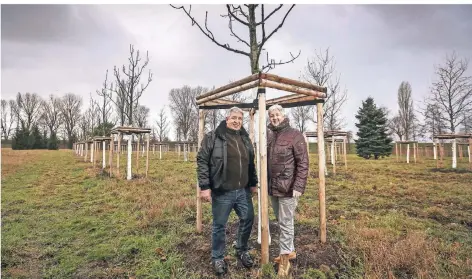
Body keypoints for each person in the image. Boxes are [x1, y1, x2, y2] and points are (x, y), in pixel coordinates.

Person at [196, 106, 258, 276]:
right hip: (222, 191)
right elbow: (202, 160)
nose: (237, 121)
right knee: (219, 225)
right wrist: (205, 187)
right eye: (234, 118)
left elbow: (251, 163)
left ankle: (241, 249)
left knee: (248, 218)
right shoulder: (214, 137)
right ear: (227, 119)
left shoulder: (245, 138)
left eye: (240, 118)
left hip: (243, 191)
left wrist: (253, 182)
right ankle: (218, 257)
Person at [266, 104, 309, 277]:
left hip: (289, 188)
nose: (274, 118)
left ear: (283, 115)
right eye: (271, 116)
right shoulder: (270, 136)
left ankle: (285, 261)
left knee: (285, 222)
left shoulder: (295, 135)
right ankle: (289, 249)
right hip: (273, 188)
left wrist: (299, 186)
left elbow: (303, 163)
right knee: (282, 220)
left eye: (277, 114)